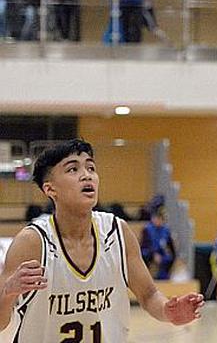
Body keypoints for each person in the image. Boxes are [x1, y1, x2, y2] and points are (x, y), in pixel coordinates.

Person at [0, 140, 203, 340]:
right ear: (50, 189)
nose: (86, 175)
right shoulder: (32, 242)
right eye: (73, 169)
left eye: (91, 167)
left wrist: (168, 311)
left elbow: (149, 295)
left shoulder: (118, 232)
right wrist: (9, 293)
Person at [140, 211, 176, 281]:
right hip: (149, 251)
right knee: (144, 255)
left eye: (159, 219)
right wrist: (154, 254)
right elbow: (144, 245)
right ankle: (145, 278)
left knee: (169, 258)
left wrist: (170, 254)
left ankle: (163, 277)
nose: (157, 221)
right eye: (156, 219)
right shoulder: (147, 230)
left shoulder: (166, 231)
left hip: (161, 251)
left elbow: (170, 246)